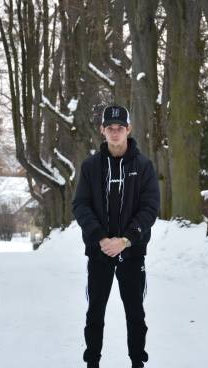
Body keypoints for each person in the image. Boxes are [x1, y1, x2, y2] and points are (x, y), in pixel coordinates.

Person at [72, 105, 160, 368]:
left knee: (135, 314)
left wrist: (125, 240)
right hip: (99, 253)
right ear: (102, 130)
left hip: (132, 253)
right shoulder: (90, 166)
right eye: (109, 128)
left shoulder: (143, 166)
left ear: (128, 129)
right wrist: (101, 238)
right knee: (95, 313)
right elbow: (81, 205)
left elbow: (150, 208)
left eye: (119, 127)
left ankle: (137, 362)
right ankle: (92, 362)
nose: (114, 132)